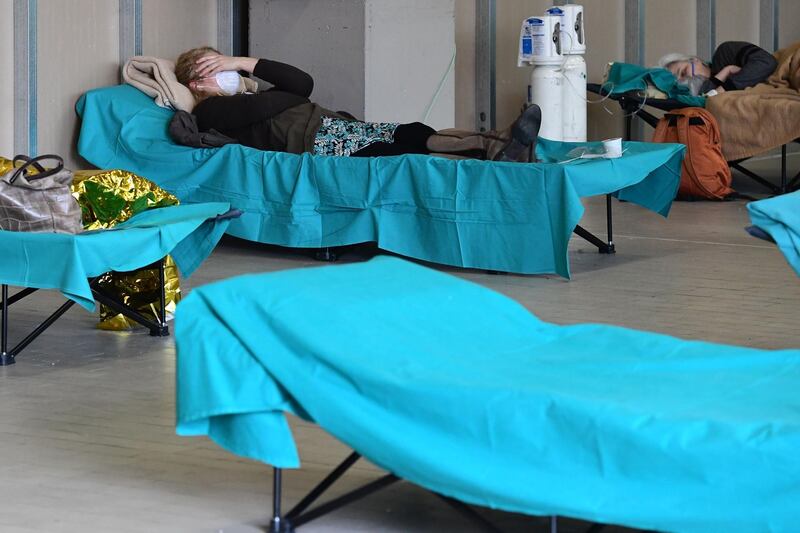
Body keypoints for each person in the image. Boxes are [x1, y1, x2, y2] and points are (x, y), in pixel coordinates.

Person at [174, 47, 541, 162]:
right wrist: (255, 86)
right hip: (317, 143)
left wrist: (239, 62)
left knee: (413, 130)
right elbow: (292, 96)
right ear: (195, 83)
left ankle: (498, 142)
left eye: (221, 61)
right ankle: (496, 147)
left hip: (334, 127)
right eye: (212, 67)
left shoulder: (249, 91)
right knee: (398, 148)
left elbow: (302, 84)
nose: (223, 70)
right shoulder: (208, 111)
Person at [658, 41, 778, 95]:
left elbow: (767, 62)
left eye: (683, 72)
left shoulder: (725, 53)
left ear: (695, 60)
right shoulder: (698, 94)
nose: (684, 81)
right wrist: (726, 74)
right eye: (678, 82)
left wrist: (726, 86)